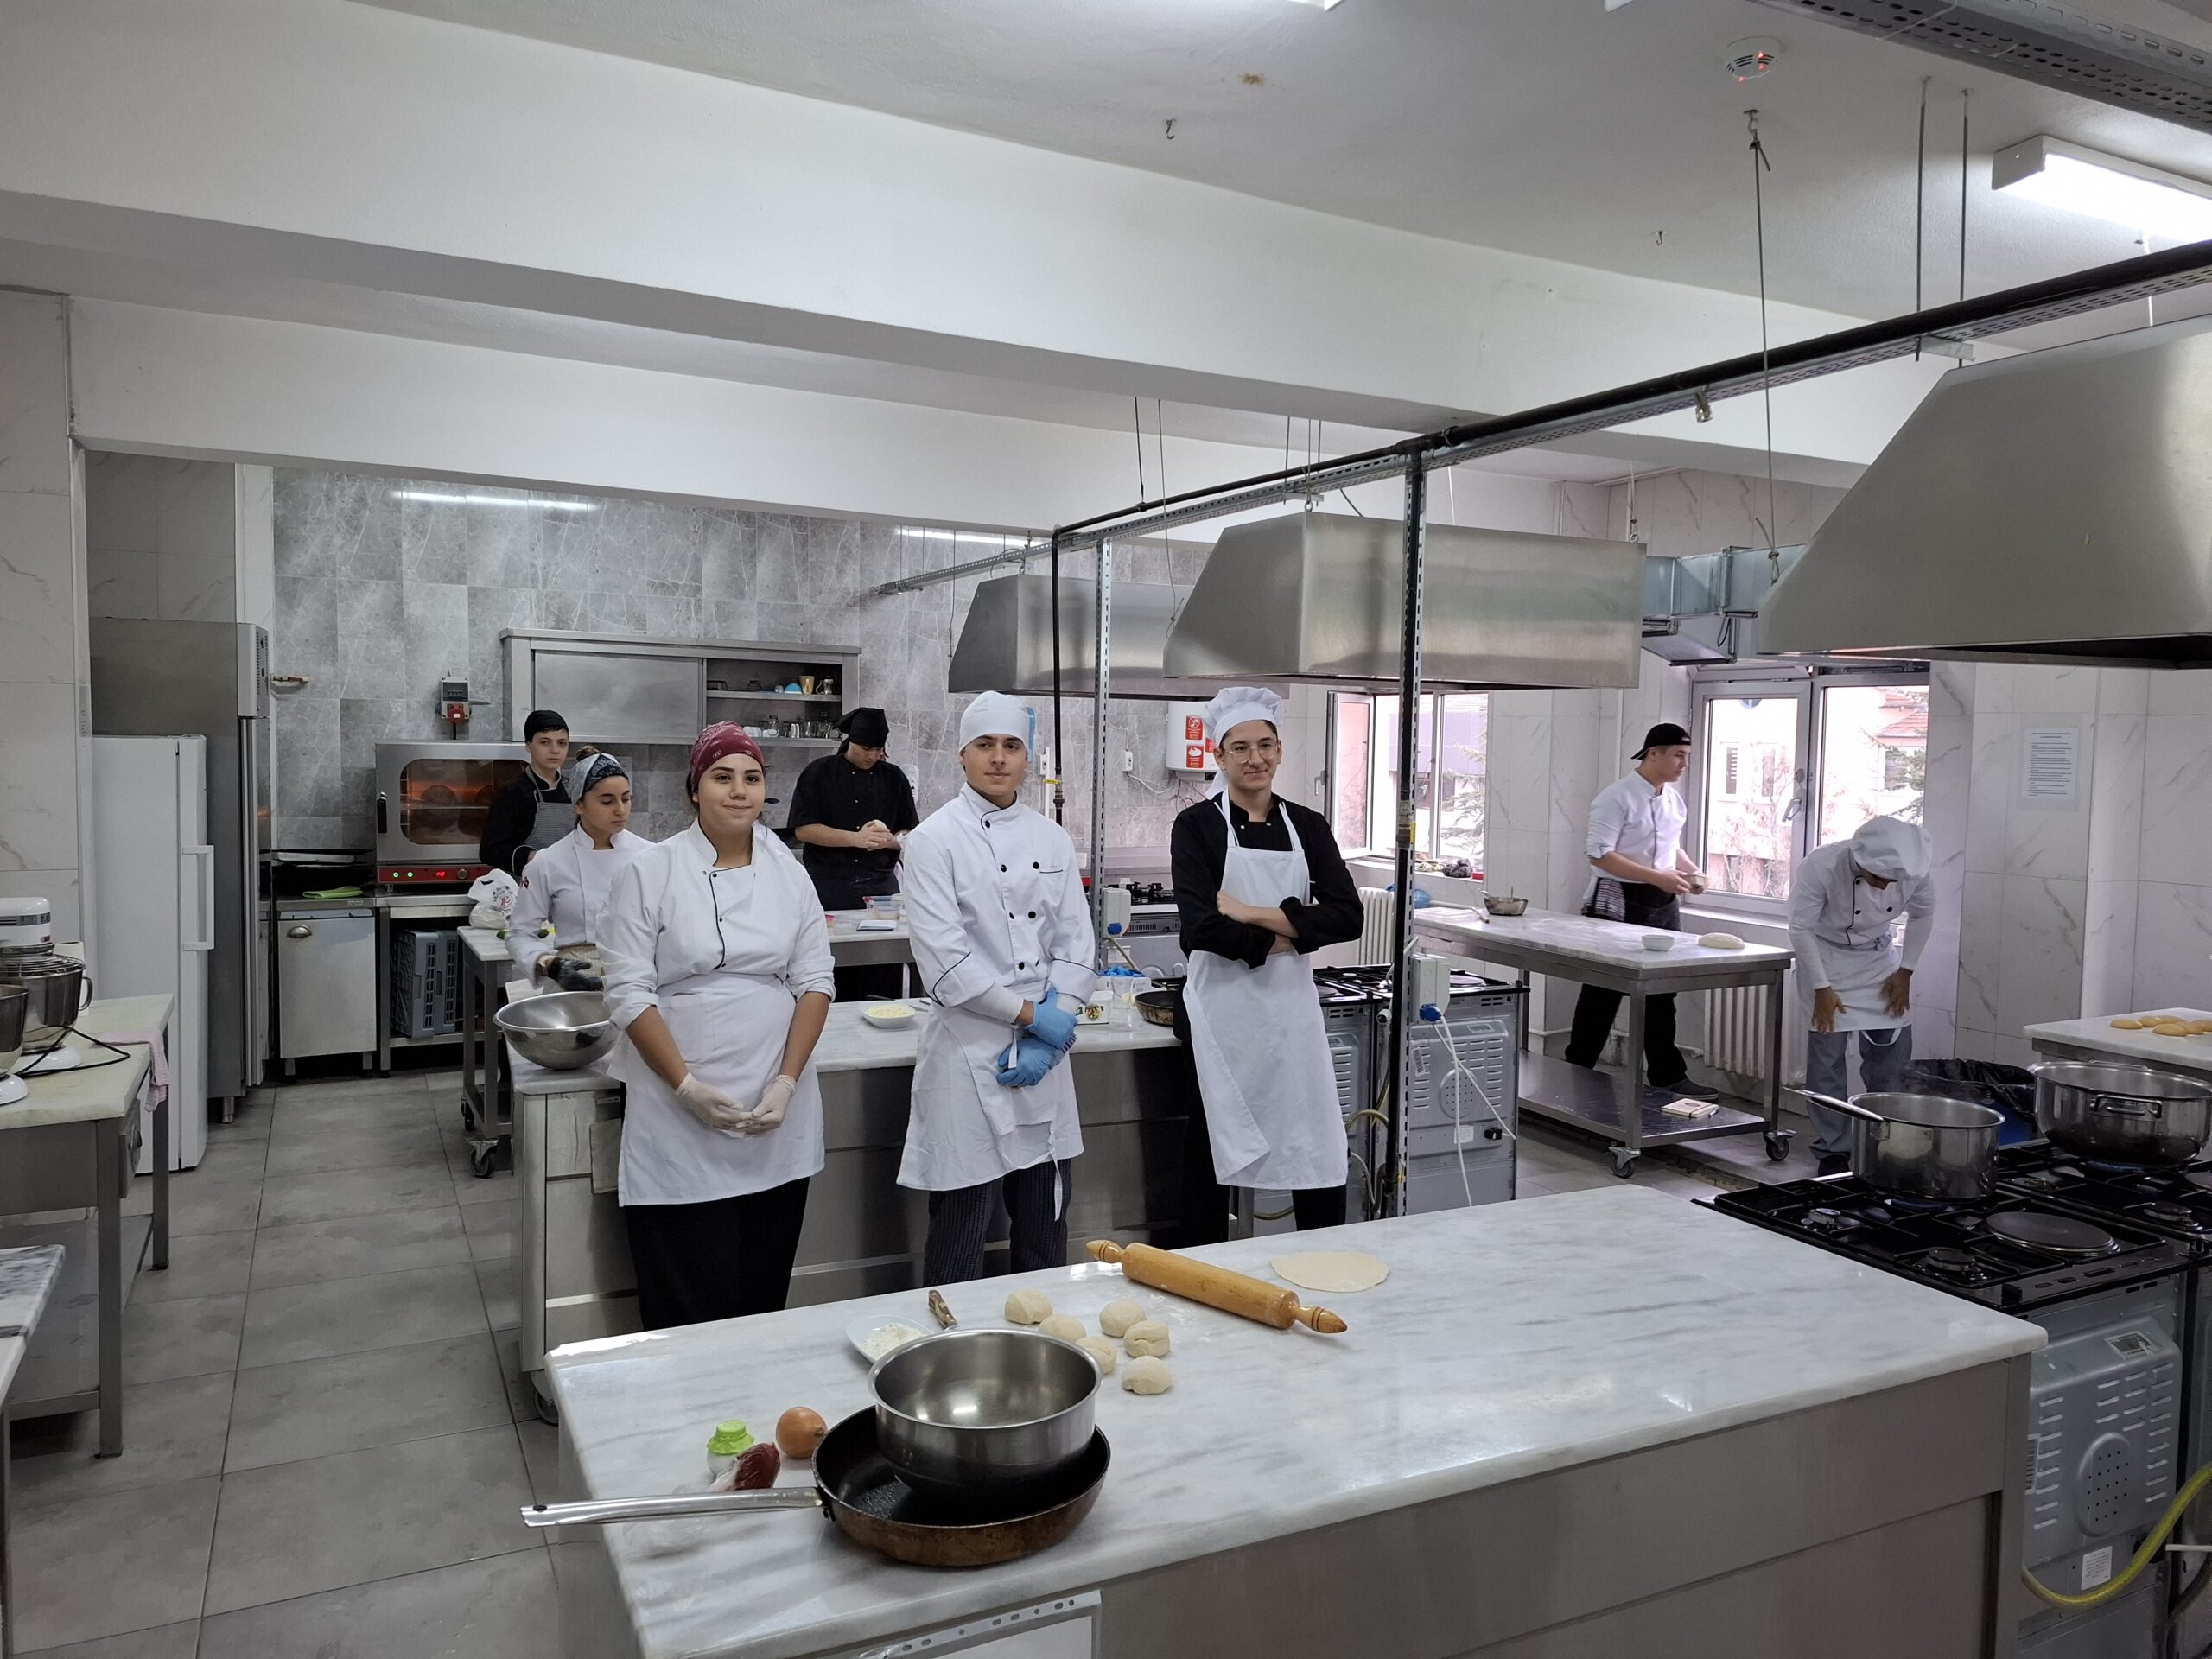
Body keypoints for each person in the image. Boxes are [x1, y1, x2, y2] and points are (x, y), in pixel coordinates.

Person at [594, 723, 835, 1328]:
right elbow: (627, 991)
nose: (739, 790)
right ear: (694, 790)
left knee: (762, 1284)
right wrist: (685, 1087)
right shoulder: (650, 872)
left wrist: (786, 1082)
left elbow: (815, 981)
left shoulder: (791, 875)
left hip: (776, 1106)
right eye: (722, 777)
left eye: (751, 778)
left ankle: (752, 1386)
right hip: (677, 1110)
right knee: (685, 1287)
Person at [899, 691, 1096, 1284]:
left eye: (1012, 746)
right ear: (962, 755)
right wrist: (1036, 1018)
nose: (999, 757)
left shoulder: (1051, 838)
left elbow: (1076, 942)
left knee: (1044, 1218)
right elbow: (948, 967)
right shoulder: (932, 841)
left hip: (1045, 1055)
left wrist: (1057, 1022)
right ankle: (952, 1332)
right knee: (962, 1222)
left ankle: (1044, 1331)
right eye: (985, 744)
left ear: (1027, 758)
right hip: (969, 1050)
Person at [1171, 686, 1363, 1242]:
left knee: (1313, 1136)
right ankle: (1202, 1265)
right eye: (1240, 747)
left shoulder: (1308, 824)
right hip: (1220, 1014)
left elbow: (1348, 916)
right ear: (1219, 755)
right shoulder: (1197, 826)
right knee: (1212, 1144)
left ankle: (1323, 1256)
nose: (1254, 758)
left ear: (1279, 751)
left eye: (1265, 745)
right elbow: (1202, 928)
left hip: (1290, 1011)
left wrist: (1252, 913)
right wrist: (1297, 932)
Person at [1565, 722, 1719, 1100]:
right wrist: (1657, 877)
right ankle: (1576, 1071)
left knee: (1662, 993)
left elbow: (1670, 847)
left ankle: (1667, 1075)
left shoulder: (1673, 800)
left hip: (1662, 903)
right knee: (1603, 992)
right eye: (1679, 755)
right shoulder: (1616, 797)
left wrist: (1691, 871)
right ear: (1654, 753)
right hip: (1616, 899)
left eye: (1687, 756)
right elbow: (1599, 854)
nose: (1684, 764)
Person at [1788, 815, 1936, 1177]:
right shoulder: (1822, 864)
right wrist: (1822, 988)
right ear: (1859, 859)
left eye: (1892, 882)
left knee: (1892, 1059)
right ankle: (1833, 1149)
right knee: (1827, 1064)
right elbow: (1801, 927)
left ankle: (1886, 1144)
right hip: (1827, 958)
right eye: (1878, 878)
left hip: (1878, 961)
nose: (1885, 887)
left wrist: (1906, 971)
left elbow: (1923, 915)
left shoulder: (1913, 869)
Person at [787, 706, 921, 1001]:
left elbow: (910, 833)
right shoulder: (819, 773)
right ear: (850, 742)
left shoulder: (894, 778)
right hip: (829, 887)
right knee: (831, 971)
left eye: (878, 750)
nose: (871, 756)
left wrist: (889, 840)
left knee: (882, 969)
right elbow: (804, 830)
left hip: (881, 892)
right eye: (865, 748)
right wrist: (856, 839)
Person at [505, 750, 653, 973]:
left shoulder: (651, 856)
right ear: (578, 805)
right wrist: (550, 965)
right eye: (607, 801)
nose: (621, 810)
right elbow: (519, 934)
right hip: (575, 971)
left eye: (626, 798)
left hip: (639, 971)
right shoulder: (547, 862)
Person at [481, 709, 573, 875]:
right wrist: (535, 858)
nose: (555, 750)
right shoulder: (513, 792)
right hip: (527, 883)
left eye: (562, 743)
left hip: (568, 879)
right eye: (545, 742)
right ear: (528, 745)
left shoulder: (574, 790)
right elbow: (490, 851)